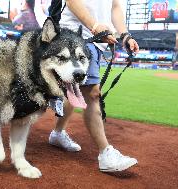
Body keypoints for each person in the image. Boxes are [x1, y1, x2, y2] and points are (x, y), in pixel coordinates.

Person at [48, 0, 140, 172]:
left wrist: (125, 35)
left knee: (75, 90)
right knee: (92, 93)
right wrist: (95, 25)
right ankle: (105, 153)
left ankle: (57, 133)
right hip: (76, 34)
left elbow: (115, 6)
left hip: (97, 39)